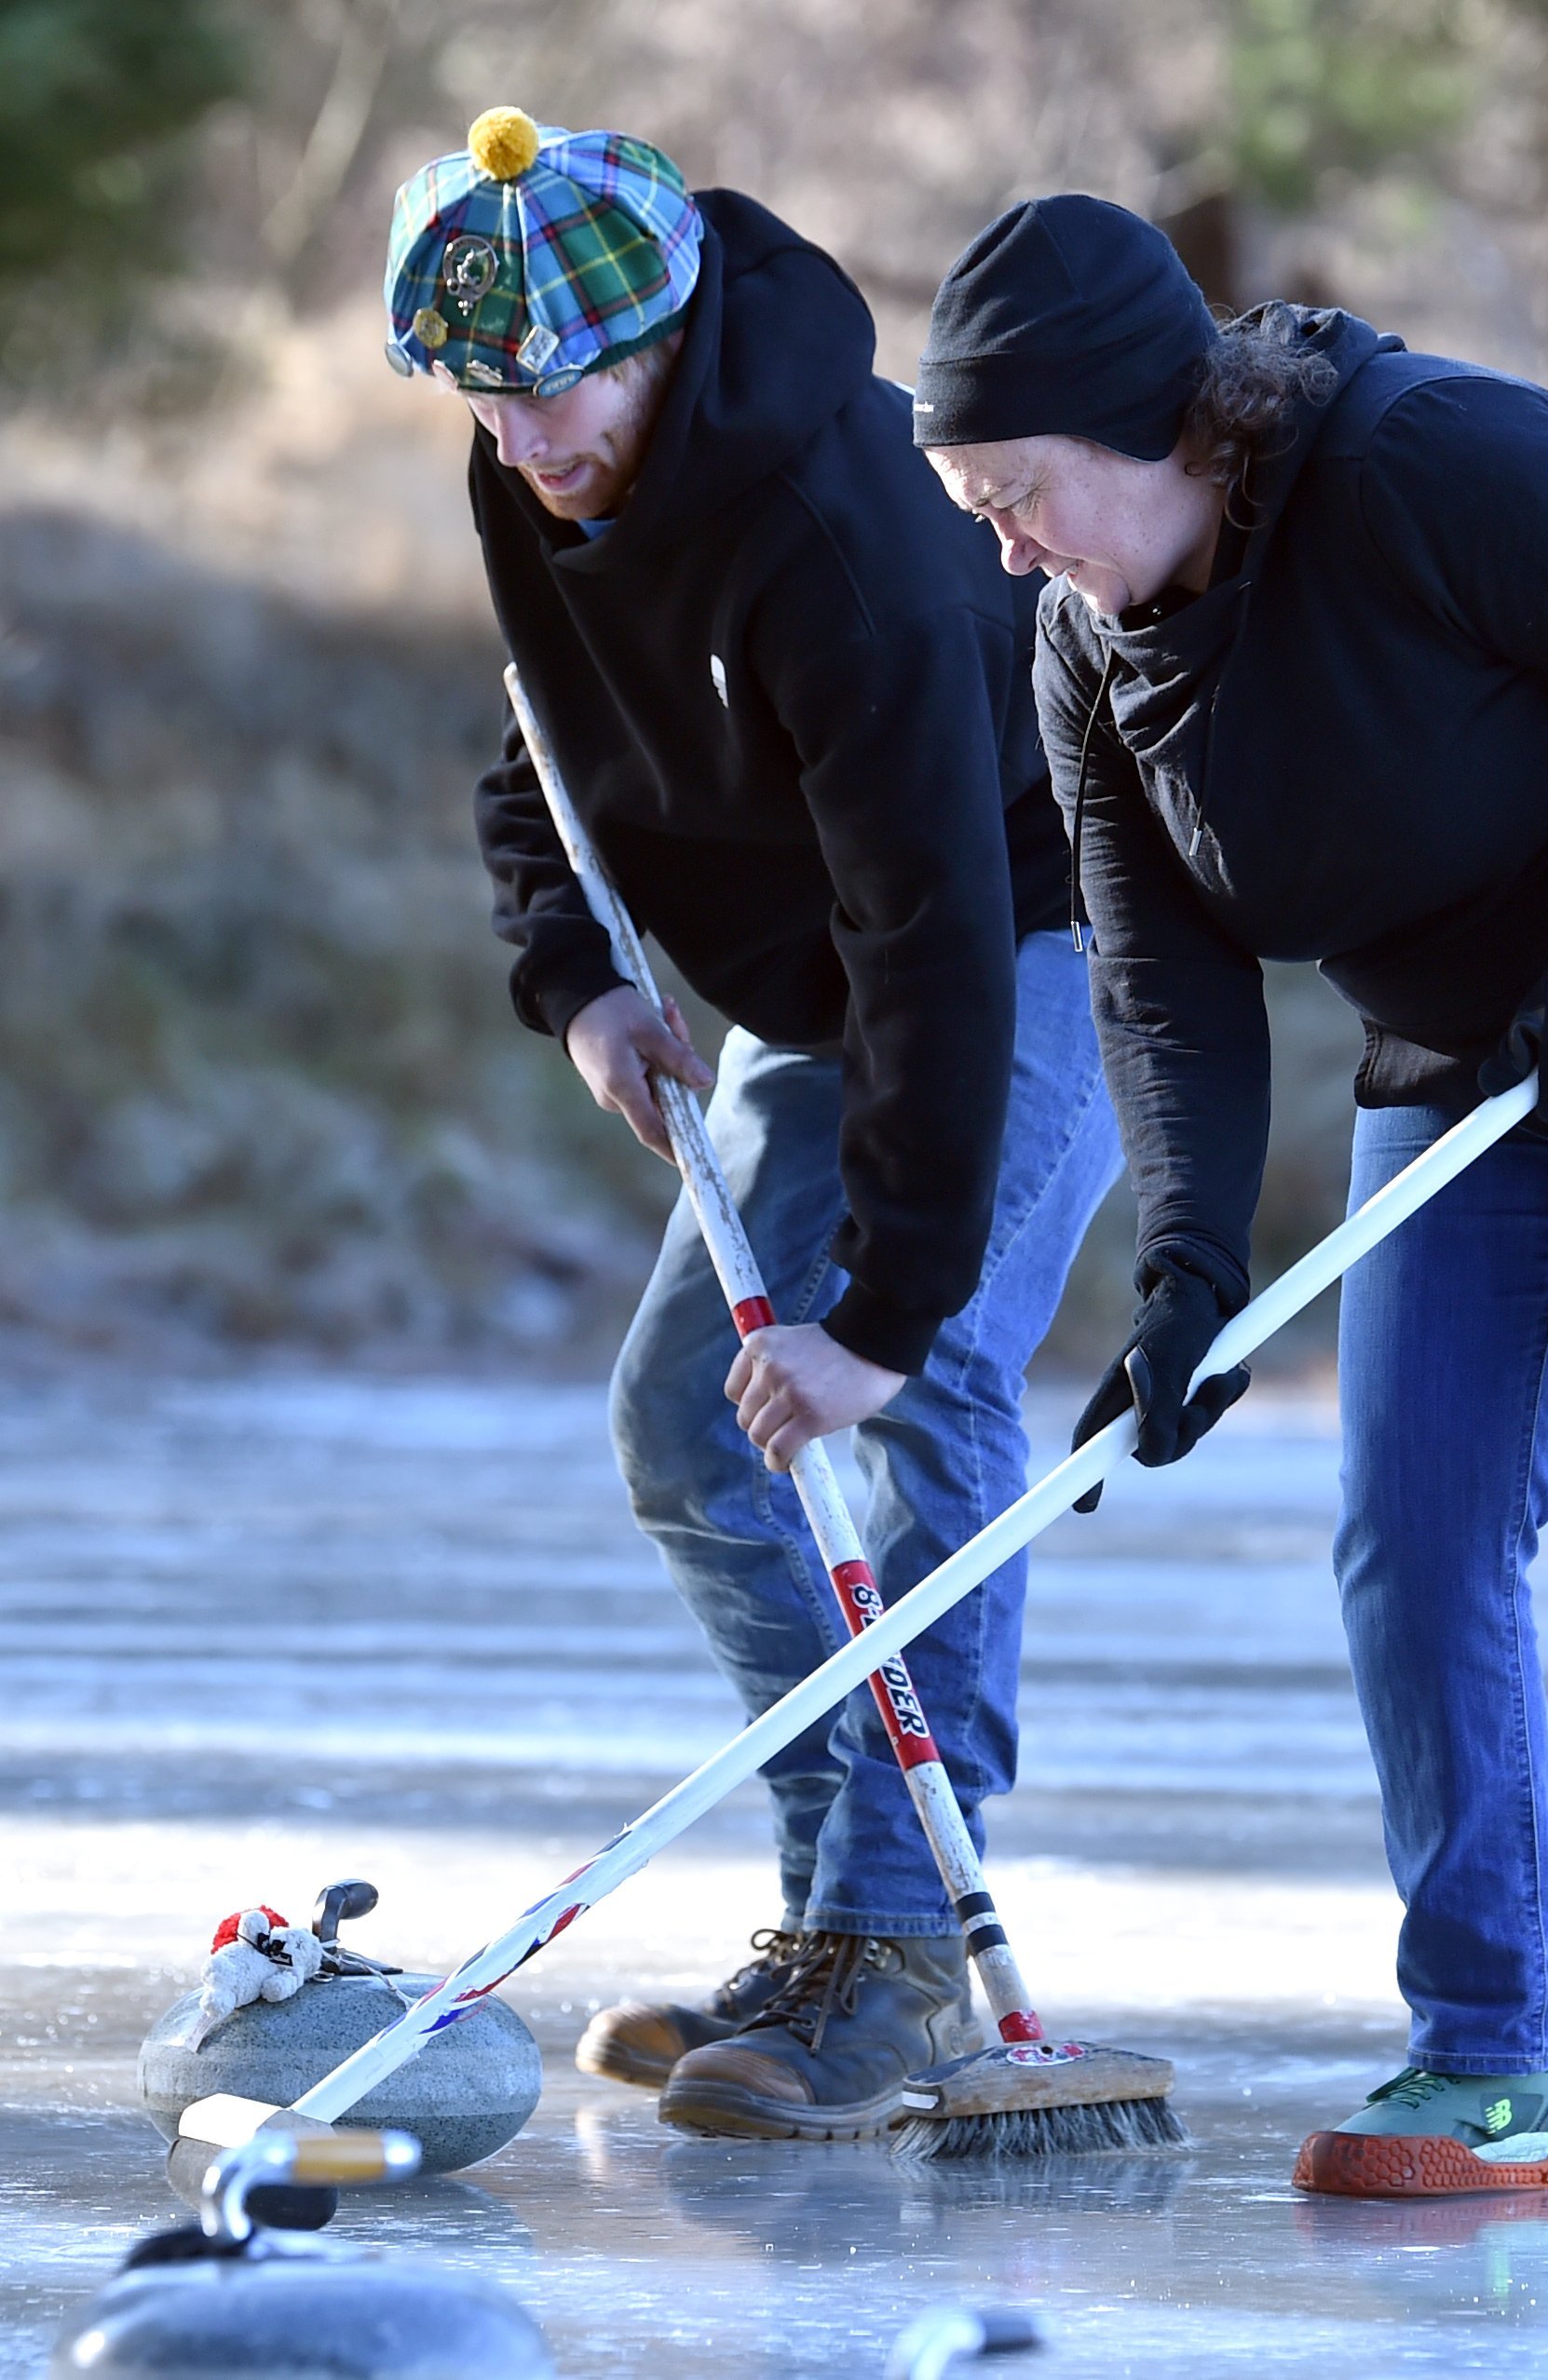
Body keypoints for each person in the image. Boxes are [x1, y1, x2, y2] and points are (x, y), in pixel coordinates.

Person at [913, 193, 1548, 2224]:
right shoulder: (1085, 643)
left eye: (1024, 493)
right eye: (976, 506)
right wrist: (1193, 1266)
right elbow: (1165, 979)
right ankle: (1489, 2048)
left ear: (1161, 426)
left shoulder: (1420, 466)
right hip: (1490, 1049)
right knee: (1411, 1514)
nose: (1009, 545)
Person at [382, 115, 1118, 2140]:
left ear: (665, 335)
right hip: (822, 974)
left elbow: (939, 931)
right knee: (690, 1420)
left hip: (1040, 935)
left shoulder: (835, 526)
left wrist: (875, 1313)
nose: (524, 442)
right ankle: (833, 1916)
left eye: (555, 391)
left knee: (922, 1385)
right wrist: (578, 974)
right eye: (484, 399)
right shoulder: (546, 472)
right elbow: (546, 741)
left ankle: (901, 1952)